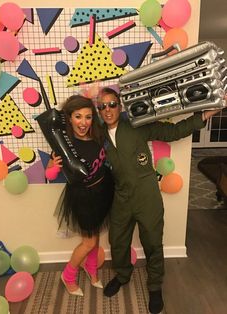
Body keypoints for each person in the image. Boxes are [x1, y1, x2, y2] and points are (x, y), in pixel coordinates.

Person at [97, 87, 227, 314]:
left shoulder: (136, 125)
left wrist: (207, 113)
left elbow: (174, 131)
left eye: (111, 104)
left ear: (119, 105)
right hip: (121, 196)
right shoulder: (97, 134)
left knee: (152, 240)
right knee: (117, 240)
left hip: (147, 194)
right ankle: (123, 275)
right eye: (102, 106)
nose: (107, 110)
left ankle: (155, 286)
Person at [46, 95, 114, 296]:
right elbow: (49, 174)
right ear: (69, 118)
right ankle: (67, 276)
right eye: (78, 117)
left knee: (97, 236)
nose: (83, 122)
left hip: (103, 191)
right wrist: (52, 166)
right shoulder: (65, 146)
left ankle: (91, 269)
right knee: (89, 242)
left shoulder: (97, 136)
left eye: (88, 117)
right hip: (83, 197)